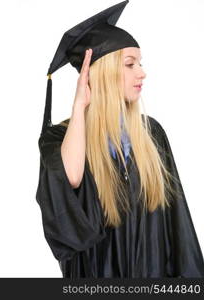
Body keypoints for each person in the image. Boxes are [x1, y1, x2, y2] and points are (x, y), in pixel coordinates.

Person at [35, 0, 204, 278]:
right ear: (103, 73)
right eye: (129, 64)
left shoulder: (151, 134)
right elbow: (71, 180)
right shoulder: (60, 138)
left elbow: (178, 226)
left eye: (140, 63)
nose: (142, 72)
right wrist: (79, 107)